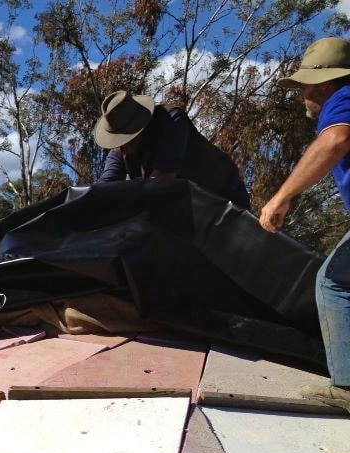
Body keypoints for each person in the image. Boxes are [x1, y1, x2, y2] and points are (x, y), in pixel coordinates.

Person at [259, 37, 350, 408]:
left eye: (304, 86)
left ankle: (346, 387)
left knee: (334, 282)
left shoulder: (342, 99)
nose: (301, 96)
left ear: (325, 83)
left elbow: (336, 141)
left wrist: (282, 196)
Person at [93, 90, 250, 209]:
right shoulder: (122, 149)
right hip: (185, 210)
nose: (123, 145)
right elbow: (105, 186)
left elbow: (160, 181)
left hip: (223, 197)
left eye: (127, 137)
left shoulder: (172, 120)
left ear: (140, 127)